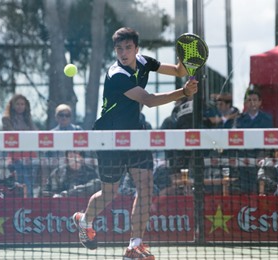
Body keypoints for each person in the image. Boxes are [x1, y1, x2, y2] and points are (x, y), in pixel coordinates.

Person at [72, 27, 197, 260]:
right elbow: (148, 101)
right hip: (109, 137)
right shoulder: (117, 74)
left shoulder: (144, 61)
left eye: (128, 47)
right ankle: (84, 220)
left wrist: (187, 62)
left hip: (135, 135)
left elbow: (179, 70)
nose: (124, 53)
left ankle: (135, 246)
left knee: (146, 187)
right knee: (110, 192)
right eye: (119, 49)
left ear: (136, 48)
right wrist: (183, 92)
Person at [2, 94, 39, 198]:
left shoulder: (28, 119)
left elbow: (35, 133)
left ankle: (31, 206)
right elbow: (12, 136)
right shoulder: (7, 119)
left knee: (30, 184)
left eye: (22, 104)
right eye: (17, 104)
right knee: (23, 184)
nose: (20, 106)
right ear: (12, 105)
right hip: (15, 158)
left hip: (31, 157)